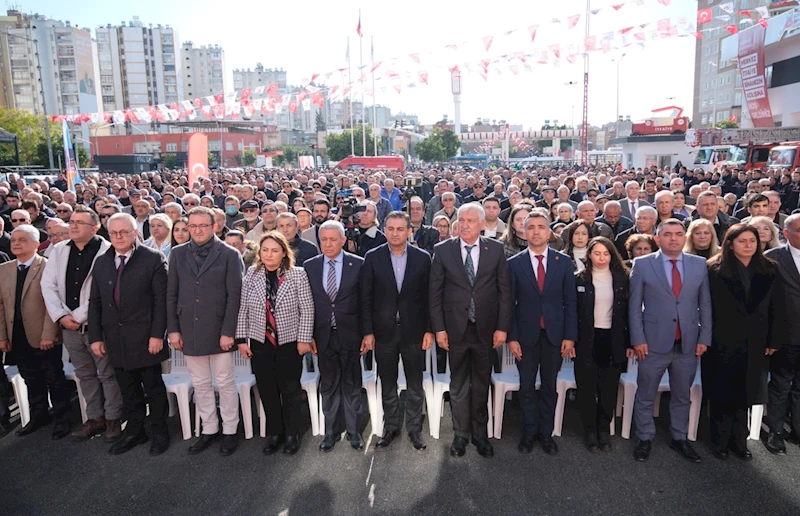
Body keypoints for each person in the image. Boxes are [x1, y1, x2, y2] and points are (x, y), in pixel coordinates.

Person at [429, 203, 512, 458]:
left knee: (480, 383)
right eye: (461, 220)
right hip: (455, 330)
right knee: (458, 384)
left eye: (470, 220)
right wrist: (440, 329)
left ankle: (480, 435)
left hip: (486, 330)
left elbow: (504, 292)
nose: (464, 224)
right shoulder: (442, 251)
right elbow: (435, 294)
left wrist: (502, 328)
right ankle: (460, 435)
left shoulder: (495, 249)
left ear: (480, 224)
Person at [629, 219, 712, 463]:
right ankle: (644, 437)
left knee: (682, 395)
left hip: (687, 342)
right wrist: (638, 339)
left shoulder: (698, 264)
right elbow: (634, 307)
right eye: (667, 234)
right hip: (652, 343)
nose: (673, 238)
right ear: (658, 238)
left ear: (685, 238)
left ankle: (679, 437)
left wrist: (704, 337)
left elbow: (705, 304)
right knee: (645, 393)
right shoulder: (642, 264)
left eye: (678, 234)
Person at [88, 214, 170, 456]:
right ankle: (135, 431)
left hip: (146, 339)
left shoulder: (153, 258)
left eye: (124, 232)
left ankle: (159, 431)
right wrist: (95, 336)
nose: (118, 237)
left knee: (153, 389)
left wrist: (157, 335)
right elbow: (95, 303)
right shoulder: (102, 262)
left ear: (135, 233)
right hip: (116, 339)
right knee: (128, 389)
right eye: (113, 233)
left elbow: (161, 300)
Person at [41, 206, 124, 443]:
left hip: (98, 327)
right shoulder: (58, 251)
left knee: (108, 374)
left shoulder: (107, 251)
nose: (73, 226)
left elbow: (107, 291)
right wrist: (61, 316)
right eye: (72, 222)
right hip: (69, 327)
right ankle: (94, 418)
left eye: (80, 222)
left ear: (95, 228)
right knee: (85, 375)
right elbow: (48, 286)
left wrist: (78, 316)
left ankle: (113, 418)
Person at [167, 206, 244, 456]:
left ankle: (230, 430)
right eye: (193, 226)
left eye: (203, 225)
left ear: (215, 227)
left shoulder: (230, 254)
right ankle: (209, 429)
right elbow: (171, 294)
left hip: (220, 328)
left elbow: (235, 296)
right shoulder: (177, 254)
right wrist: (174, 330)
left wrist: (229, 331)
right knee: (200, 384)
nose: (197, 230)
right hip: (188, 328)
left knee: (225, 382)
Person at [704, 224, 784, 461]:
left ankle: (740, 441)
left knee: (747, 393)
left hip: (756, 339)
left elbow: (777, 307)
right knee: (723, 392)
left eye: (753, 241)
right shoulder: (714, 269)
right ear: (729, 243)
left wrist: (774, 338)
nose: (748, 245)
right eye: (742, 241)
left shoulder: (770, 269)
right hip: (723, 338)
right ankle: (719, 441)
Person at [235, 231, 314, 456]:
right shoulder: (252, 273)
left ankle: (291, 433)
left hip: (290, 342)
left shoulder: (297, 274)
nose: (269, 255)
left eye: (275, 250)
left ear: (284, 253)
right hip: (261, 342)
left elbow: (307, 309)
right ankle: (275, 433)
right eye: (265, 250)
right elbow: (243, 308)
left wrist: (304, 339)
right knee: (268, 390)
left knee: (290, 389)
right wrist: (242, 339)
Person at [361, 211, 432, 451]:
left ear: (409, 231)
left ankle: (414, 428)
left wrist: (430, 330)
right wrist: (368, 332)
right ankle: (391, 426)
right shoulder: (372, 257)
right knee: (387, 381)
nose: (394, 233)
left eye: (400, 229)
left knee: (415, 382)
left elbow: (429, 298)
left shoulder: (423, 258)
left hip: (414, 331)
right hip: (383, 333)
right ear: (385, 230)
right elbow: (366, 297)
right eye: (390, 228)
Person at [507, 211, 577, 455]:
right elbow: (509, 304)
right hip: (525, 337)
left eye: (541, 227)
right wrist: (512, 337)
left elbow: (570, 301)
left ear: (550, 232)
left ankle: (545, 435)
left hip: (555, 336)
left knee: (550, 386)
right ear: (523, 233)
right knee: (526, 387)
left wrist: (570, 336)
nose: (536, 231)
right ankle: (528, 433)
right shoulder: (514, 264)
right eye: (531, 227)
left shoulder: (563, 262)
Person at [0, 225, 71, 439]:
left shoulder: (46, 267)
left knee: (54, 378)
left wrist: (48, 334)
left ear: (35, 244)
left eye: (22, 239)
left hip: (43, 334)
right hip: (17, 334)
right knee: (30, 378)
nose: (16, 243)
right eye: (13, 240)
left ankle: (62, 419)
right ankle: (38, 416)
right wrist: (2, 335)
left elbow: (53, 304)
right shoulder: (5, 269)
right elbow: (1, 305)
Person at [304, 221, 365, 452]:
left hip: (351, 334)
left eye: (333, 239)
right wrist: (308, 335)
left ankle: (353, 431)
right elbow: (306, 304)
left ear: (342, 240)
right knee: (328, 384)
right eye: (324, 240)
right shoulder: (309, 266)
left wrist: (366, 333)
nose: (328, 244)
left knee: (351, 384)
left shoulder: (358, 264)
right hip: (322, 336)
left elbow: (365, 302)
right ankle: (330, 431)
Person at [574, 236, 630, 452]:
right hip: (587, 338)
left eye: (606, 253)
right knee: (587, 387)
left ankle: (603, 429)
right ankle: (589, 430)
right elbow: (572, 311)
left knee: (608, 387)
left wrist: (631, 342)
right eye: (597, 253)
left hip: (613, 338)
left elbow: (628, 312)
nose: (601, 258)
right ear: (589, 255)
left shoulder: (622, 277)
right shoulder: (579, 278)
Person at [764, 214, 800, 454]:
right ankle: (776, 432)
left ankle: (797, 430)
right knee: (780, 384)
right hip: (785, 335)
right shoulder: (773, 259)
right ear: (786, 234)